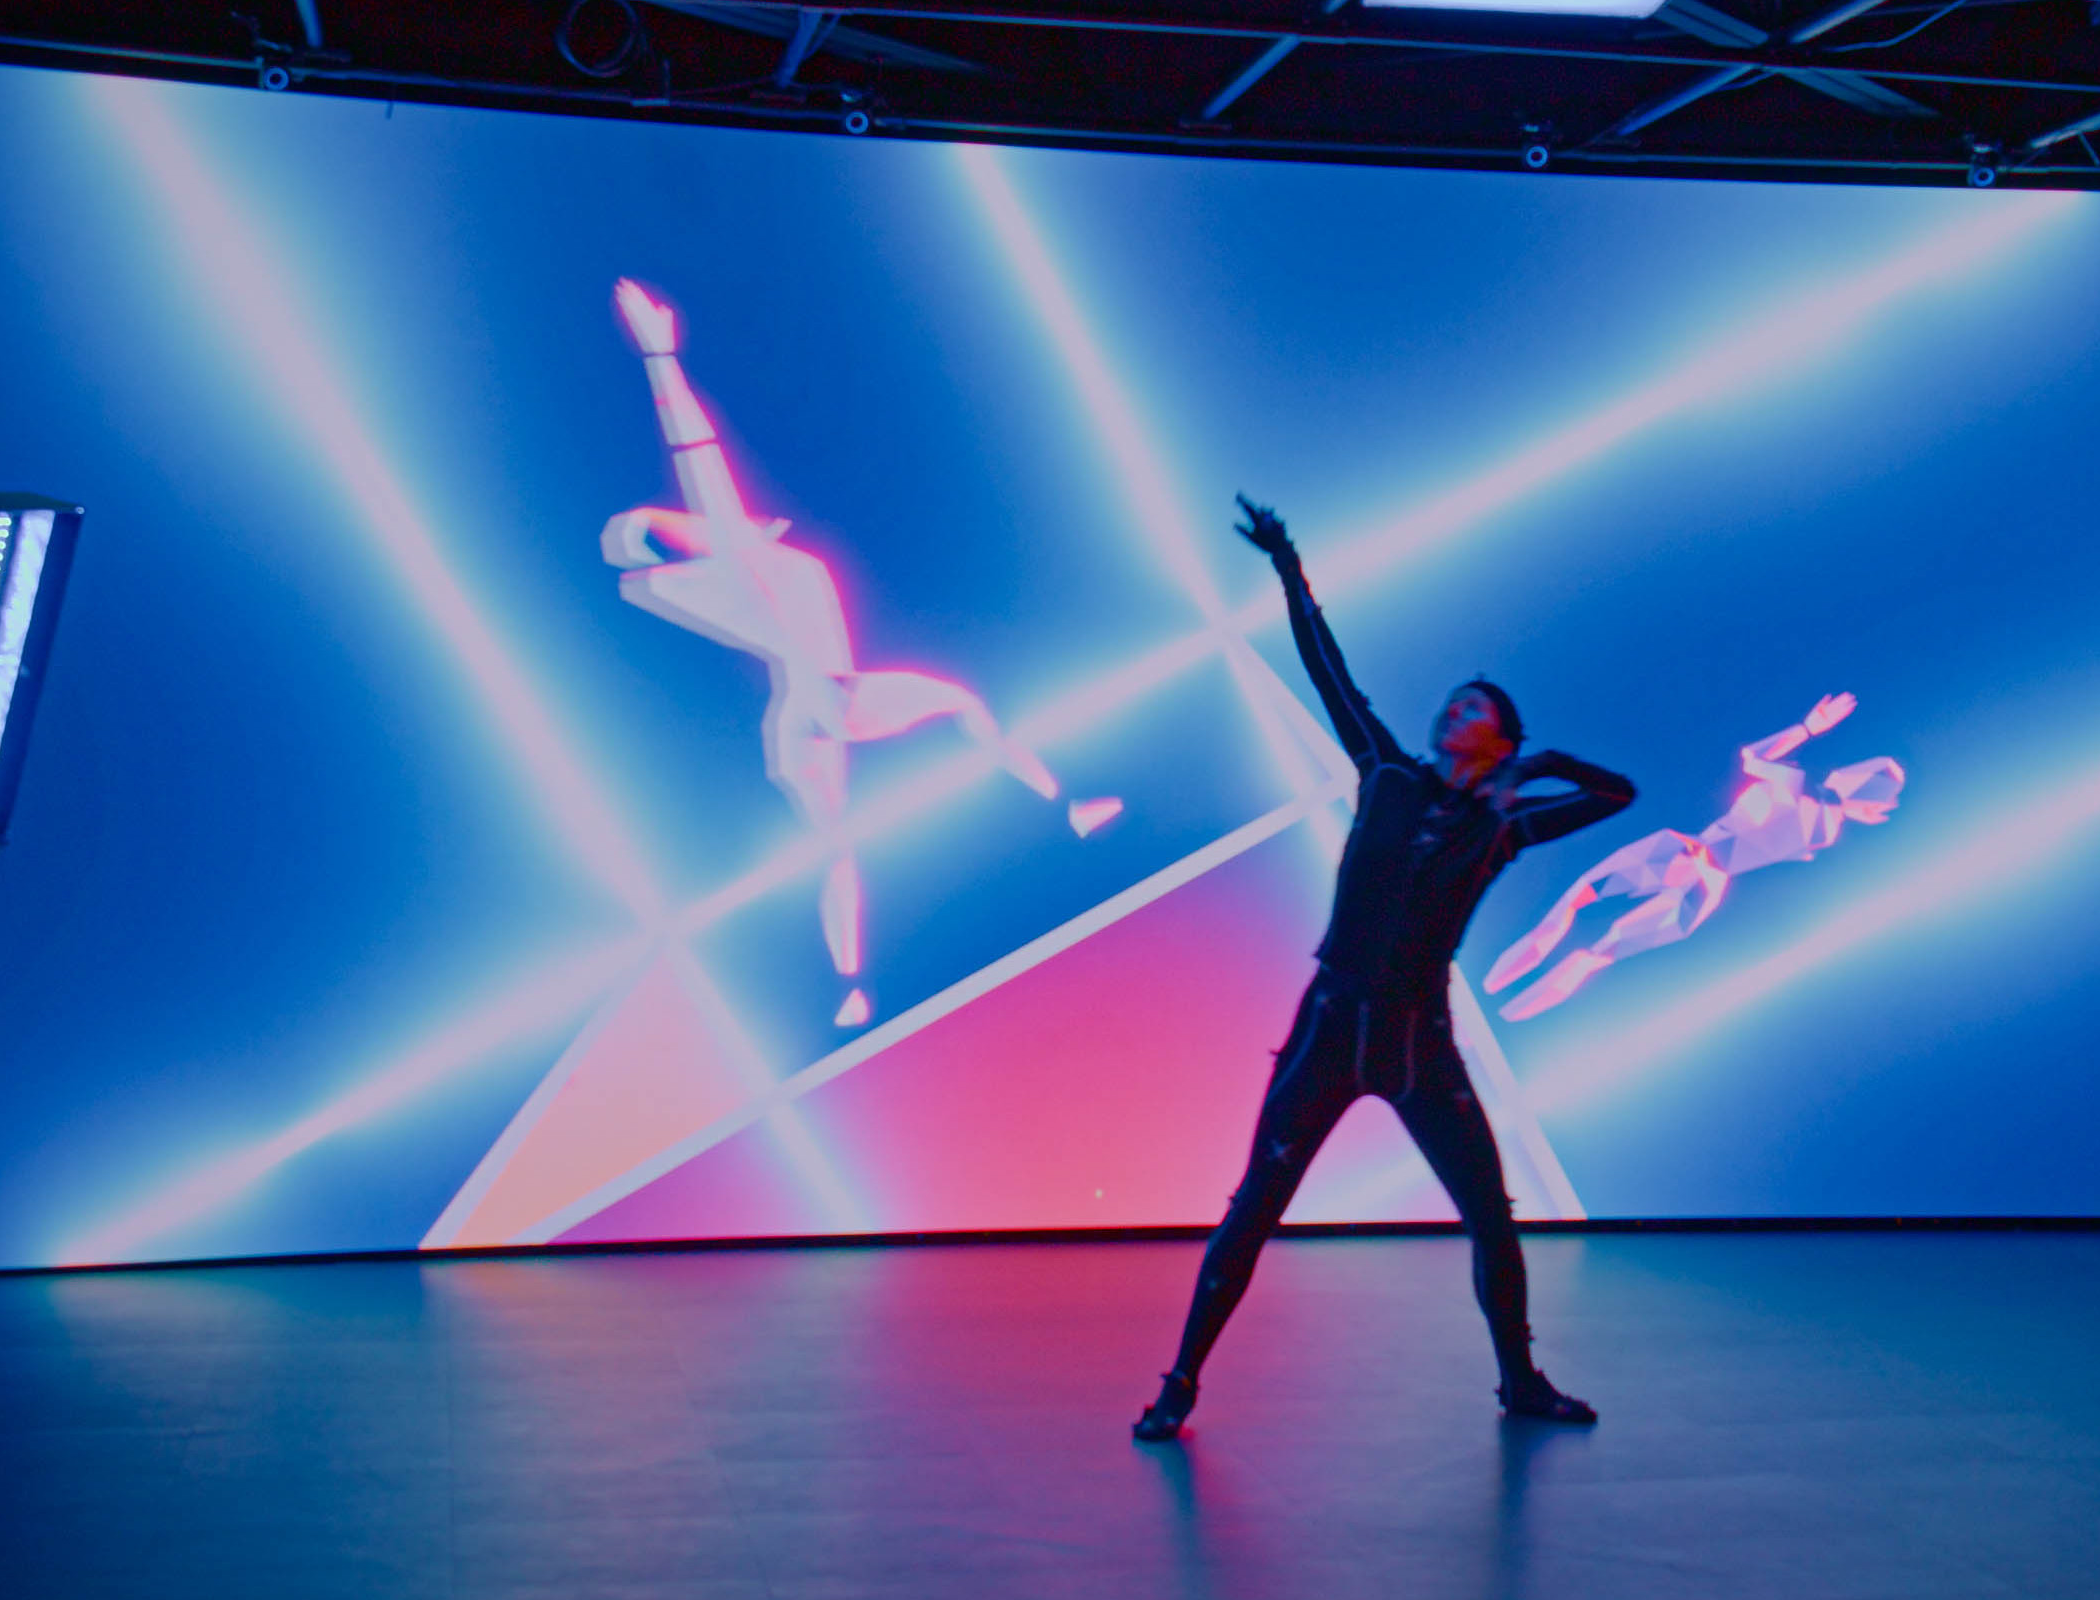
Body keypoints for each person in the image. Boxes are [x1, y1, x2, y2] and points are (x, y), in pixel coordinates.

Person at [1132, 496, 1635, 1443]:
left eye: (1477, 706)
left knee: (1493, 1219)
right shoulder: (1388, 774)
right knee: (1253, 1210)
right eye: (1453, 698)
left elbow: (1619, 795)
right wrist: (1288, 567)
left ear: (1501, 741)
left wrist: (1541, 765)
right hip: (1329, 1028)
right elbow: (1328, 670)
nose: (1455, 706)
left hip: (1420, 1048)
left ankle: (1520, 1383)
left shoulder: (1503, 830)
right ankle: (1180, 1384)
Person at [600, 279, 1118, 1029]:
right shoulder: (746, 569)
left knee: (911, 763)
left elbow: (705, 497)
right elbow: (697, 456)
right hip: (819, 704)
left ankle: (1059, 815)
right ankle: (857, 976)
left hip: (831, 701)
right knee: (841, 843)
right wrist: (659, 354)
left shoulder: (764, 565)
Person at [1481, 694, 1904, 1020]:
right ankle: (1507, 1004)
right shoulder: (1822, 836)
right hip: (1708, 886)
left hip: (1687, 853)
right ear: (1872, 810)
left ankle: (1498, 986)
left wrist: (1808, 729)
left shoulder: (1796, 787)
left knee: (1581, 902)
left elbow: (1754, 758)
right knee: (1601, 950)